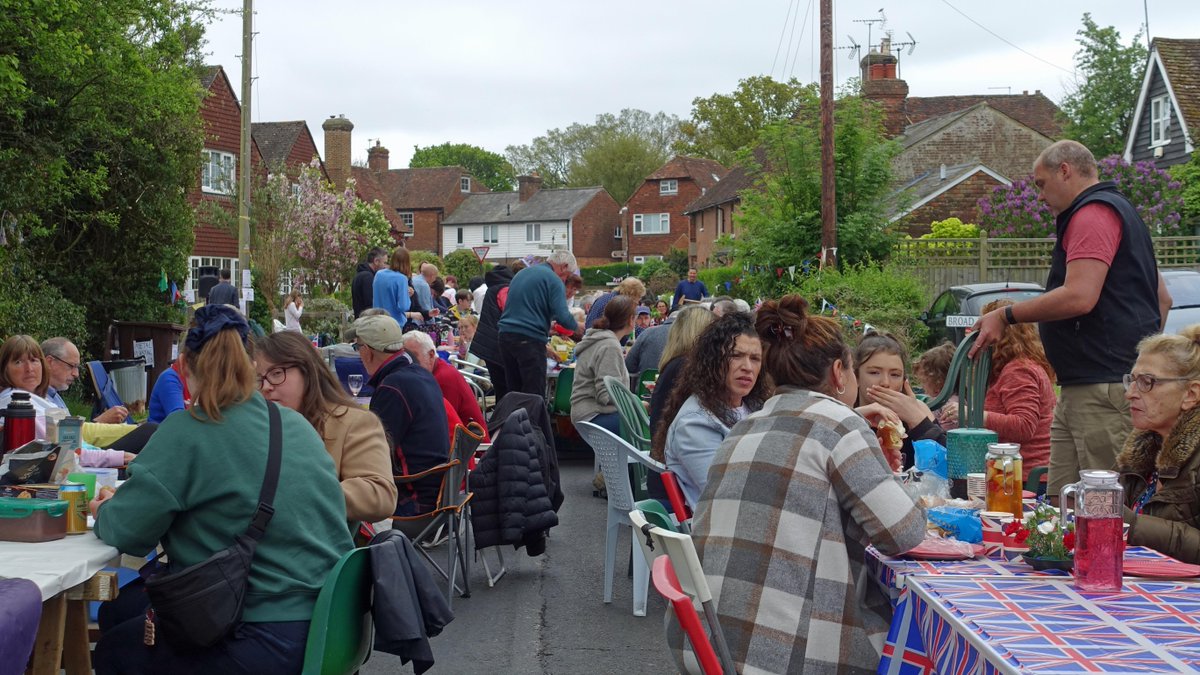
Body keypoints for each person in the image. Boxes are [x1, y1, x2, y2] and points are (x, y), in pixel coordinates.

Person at [89, 304, 352, 674]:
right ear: (251, 365)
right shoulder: (293, 424)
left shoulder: (186, 430)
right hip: (330, 628)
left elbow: (129, 533)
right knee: (123, 617)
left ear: (183, 364)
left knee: (115, 652)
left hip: (257, 635)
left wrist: (105, 510)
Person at [679, 294, 925, 673]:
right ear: (841, 372)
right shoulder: (839, 425)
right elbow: (905, 532)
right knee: (917, 642)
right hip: (784, 654)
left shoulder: (746, 424)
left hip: (711, 645)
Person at [971, 140, 1171, 498]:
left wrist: (1007, 315)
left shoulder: (1092, 213)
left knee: (1104, 508)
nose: (1040, 196)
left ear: (1065, 170)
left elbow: (1080, 295)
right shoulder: (1125, 214)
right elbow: (1163, 300)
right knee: (1058, 506)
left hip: (1102, 389)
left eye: (1041, 184)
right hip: (1089, 387)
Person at [255, 331, 397, 524]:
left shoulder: (352, 422)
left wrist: (292, 496)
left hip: (323, 545)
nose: (266, 387)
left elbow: (379, 494)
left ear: (307, 371)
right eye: (259, 379)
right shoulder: (256, 427)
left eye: (276, 373)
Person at [653, 313, 768, 507]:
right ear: (713, 360)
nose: (747, 367)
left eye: (755, 358)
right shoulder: (695, 422)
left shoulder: (754, 406)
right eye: (736, 356)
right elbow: (726, 493)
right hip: (722, 526)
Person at [945, 299, 1056, 485]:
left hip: (1026, 479)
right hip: (1012, 473)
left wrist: (973, 414)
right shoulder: (1015, 367)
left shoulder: (1018, 370)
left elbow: (1024, 425)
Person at [349, 314, 449, 516]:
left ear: (367, 352)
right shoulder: (420, 374)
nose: (358, 355)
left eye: (357, 348)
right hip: (440, 495)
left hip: (414, 503)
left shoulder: (392, 387)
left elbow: (374, 455)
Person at [1117, 326, 1200, 563]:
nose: (1130, 393)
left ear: (1191, 394)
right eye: (1132, 381)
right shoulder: (1143, 448)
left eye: (1147, 382)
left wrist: (1131, 525)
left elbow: (1122, 521)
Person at [0, 336, 150, 455]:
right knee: (151, 432)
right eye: (18, 362)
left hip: (80, 457)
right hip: (73, 464)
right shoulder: (17, 402)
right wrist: (119, 451)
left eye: (33, 361)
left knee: (151, 433)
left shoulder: (44, 396)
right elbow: (69, 446)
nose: (29, 369)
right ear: (49, 362)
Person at [856, 331, 946, 469]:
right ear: (856, 377)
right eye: (874, 372)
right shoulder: (842, 412)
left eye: (895, 374)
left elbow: (950, 469)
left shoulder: (918, 413)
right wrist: (854, 416)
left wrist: (920, 423)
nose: (885, 382)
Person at [497, 250, 579, 398]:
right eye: (567, 276)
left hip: (505, 336)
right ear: (564, 266)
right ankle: (534, 421)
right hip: (528, 341)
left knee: (514, 391)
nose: (565, 279)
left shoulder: (522, 274)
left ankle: (514, 420)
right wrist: (580, 327)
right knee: (534, 395)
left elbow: (525, 308)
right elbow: (563, 316)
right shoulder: (553, 279)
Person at [401, 330, 489, 439]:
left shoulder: (442, 379)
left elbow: (439, 427)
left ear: (431, 355)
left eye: (414, 356)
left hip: (470, 449)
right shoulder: (437, 371)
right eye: (405, 356)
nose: (409, 361)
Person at [569, 296, 636, 436]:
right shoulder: (609, 346)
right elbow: (606, 395)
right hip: (592, 415)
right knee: (654, 428)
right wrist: (635, 404)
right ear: (630, 320)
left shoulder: (601, 339)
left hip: (585, 412)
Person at [470, 264, 515, 401]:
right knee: (507, 390)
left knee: (500, 389)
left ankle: (501, 419)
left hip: (487, 345)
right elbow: (509, 312)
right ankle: (505, 420)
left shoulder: (491, 290)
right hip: (499, 345)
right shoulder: (504, 289)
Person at [914, 341, 958, 430]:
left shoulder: (950, 407)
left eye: (924, 381)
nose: (922, 386)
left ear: (938, 382)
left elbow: (943, 435)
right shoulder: (943, 400)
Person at [372, 246, 417, 327]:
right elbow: (403, 306)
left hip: (377, 320)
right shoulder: (402, 278)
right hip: (394, 323)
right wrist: (407, 296)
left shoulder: (379, 274)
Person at [351, 247, 387, 318]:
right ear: (376, 261)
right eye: (384, 262)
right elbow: (370, 304)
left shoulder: (360, 275)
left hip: (360, 321)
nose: (385, 266)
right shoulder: (368, 278)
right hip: (367, 322)